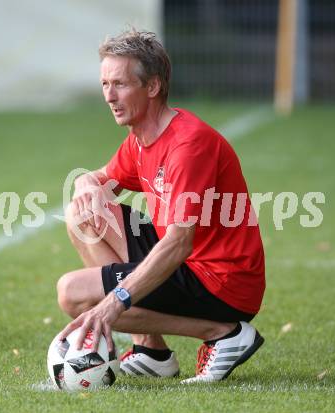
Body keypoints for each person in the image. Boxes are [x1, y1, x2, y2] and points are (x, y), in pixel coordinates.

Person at [57, 29, 266, 383]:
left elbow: (179, 242)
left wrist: (116, 301)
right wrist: (83, 182)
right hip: (188, 261)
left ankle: (223, 333)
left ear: (152, 87)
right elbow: (98, 179)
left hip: (222, 279)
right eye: (105, 84)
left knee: (75, 295)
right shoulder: (141, 137)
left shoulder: (187, 145)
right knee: (82, 213)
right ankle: (151, 350)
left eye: (120, 84)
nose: (109, 96)